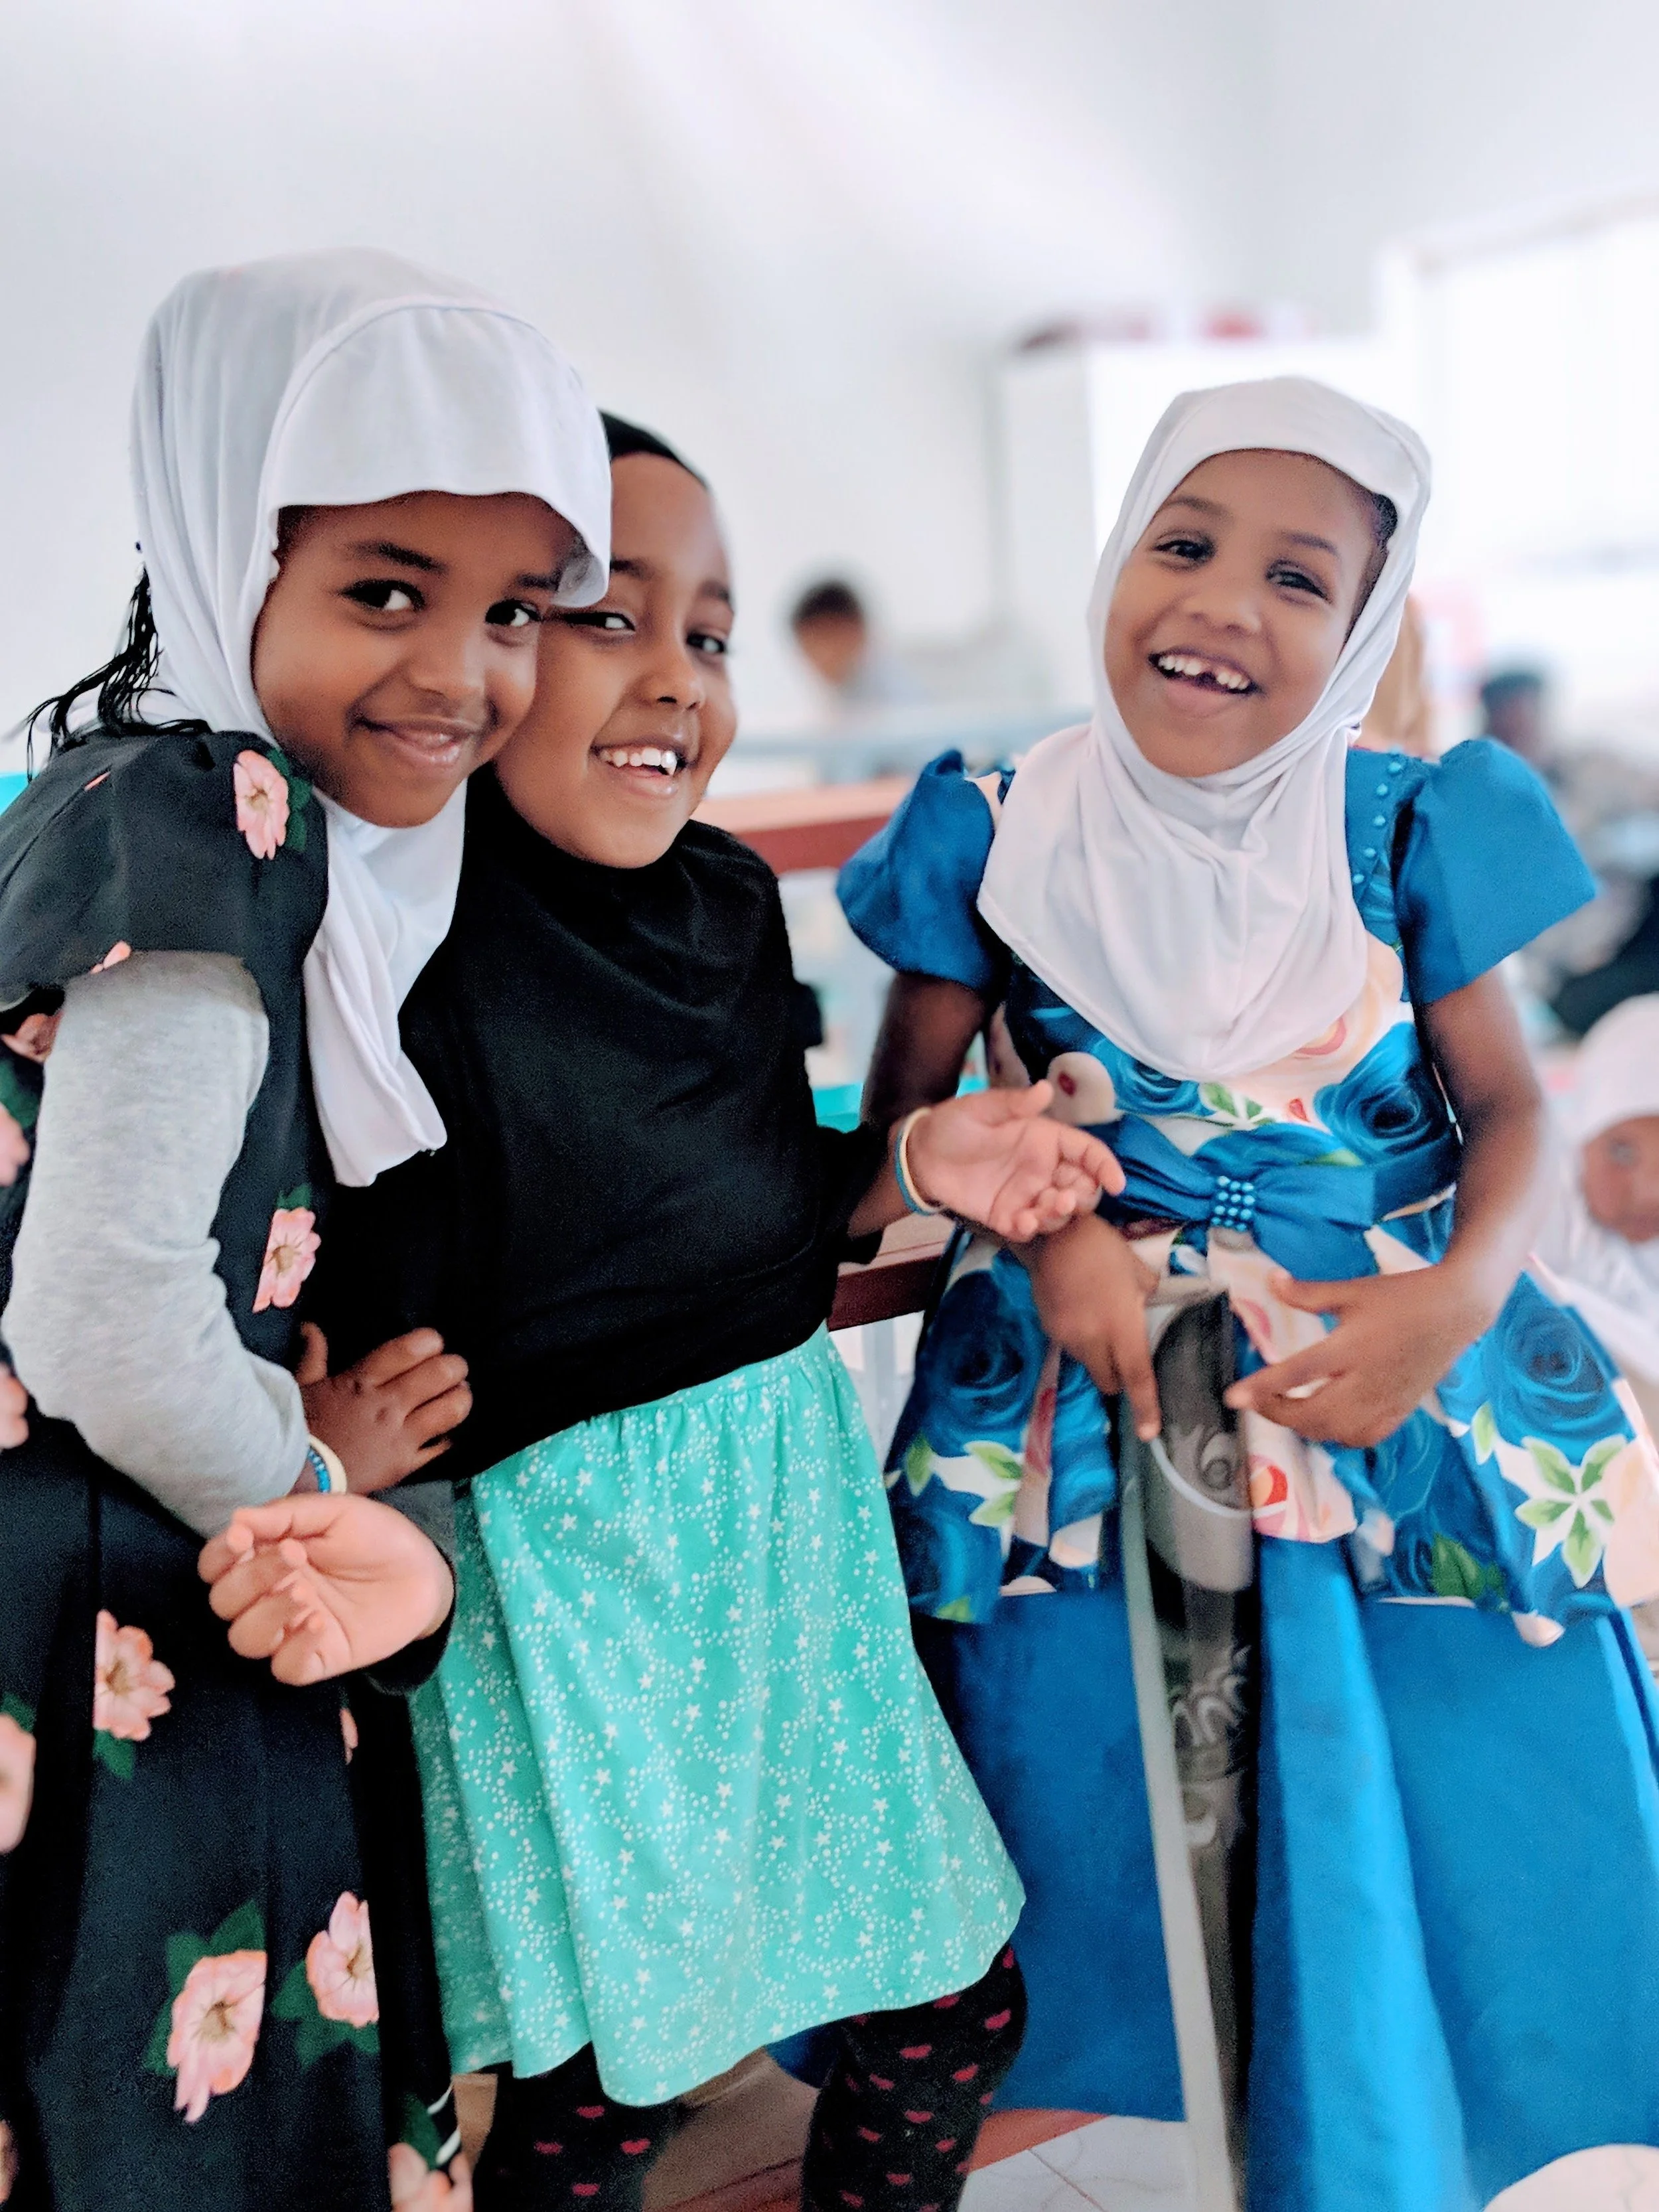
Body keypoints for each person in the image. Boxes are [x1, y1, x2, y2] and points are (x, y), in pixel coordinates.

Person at [287, 413, 1127, 2212]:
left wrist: (916, 1153)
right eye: (607, 615)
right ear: (487, 645)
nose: (678, 680)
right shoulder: (381, 938)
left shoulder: (728, 905)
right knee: (606, 2103)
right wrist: (320, 1448)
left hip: (782, 1545)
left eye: (714, 634)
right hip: (563, 1591)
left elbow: (773, 1208)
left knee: (944, 2011)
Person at [838, 378, 1659, 2211]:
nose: (1218, 603)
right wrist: (1052, 1228)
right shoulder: (991, 826)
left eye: (1297, 577)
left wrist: (1450, 1302)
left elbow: (1509, 1106)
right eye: (1182, 541)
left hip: (1378, 1392)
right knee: (1108, 1835)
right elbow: (914, 1122)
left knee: (1392, 1834)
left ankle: (1359, 2159)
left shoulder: (1404, 825)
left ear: (1364, 628)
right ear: (1118, 552)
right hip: (1084, 1406)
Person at [0, 248, 612, 2211]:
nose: (460, 674)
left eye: (513, 609)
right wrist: (314, 1464)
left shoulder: (144, 785)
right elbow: (102, 1312)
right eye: (380, 592)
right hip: (96, 1601)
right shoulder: (206, 826)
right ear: (222, 541)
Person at [789, 577, 926, 713]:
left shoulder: (900, 697)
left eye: (824, 641)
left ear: (857, 631)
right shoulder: (842, 696)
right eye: (808, 647)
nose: (820, 657)